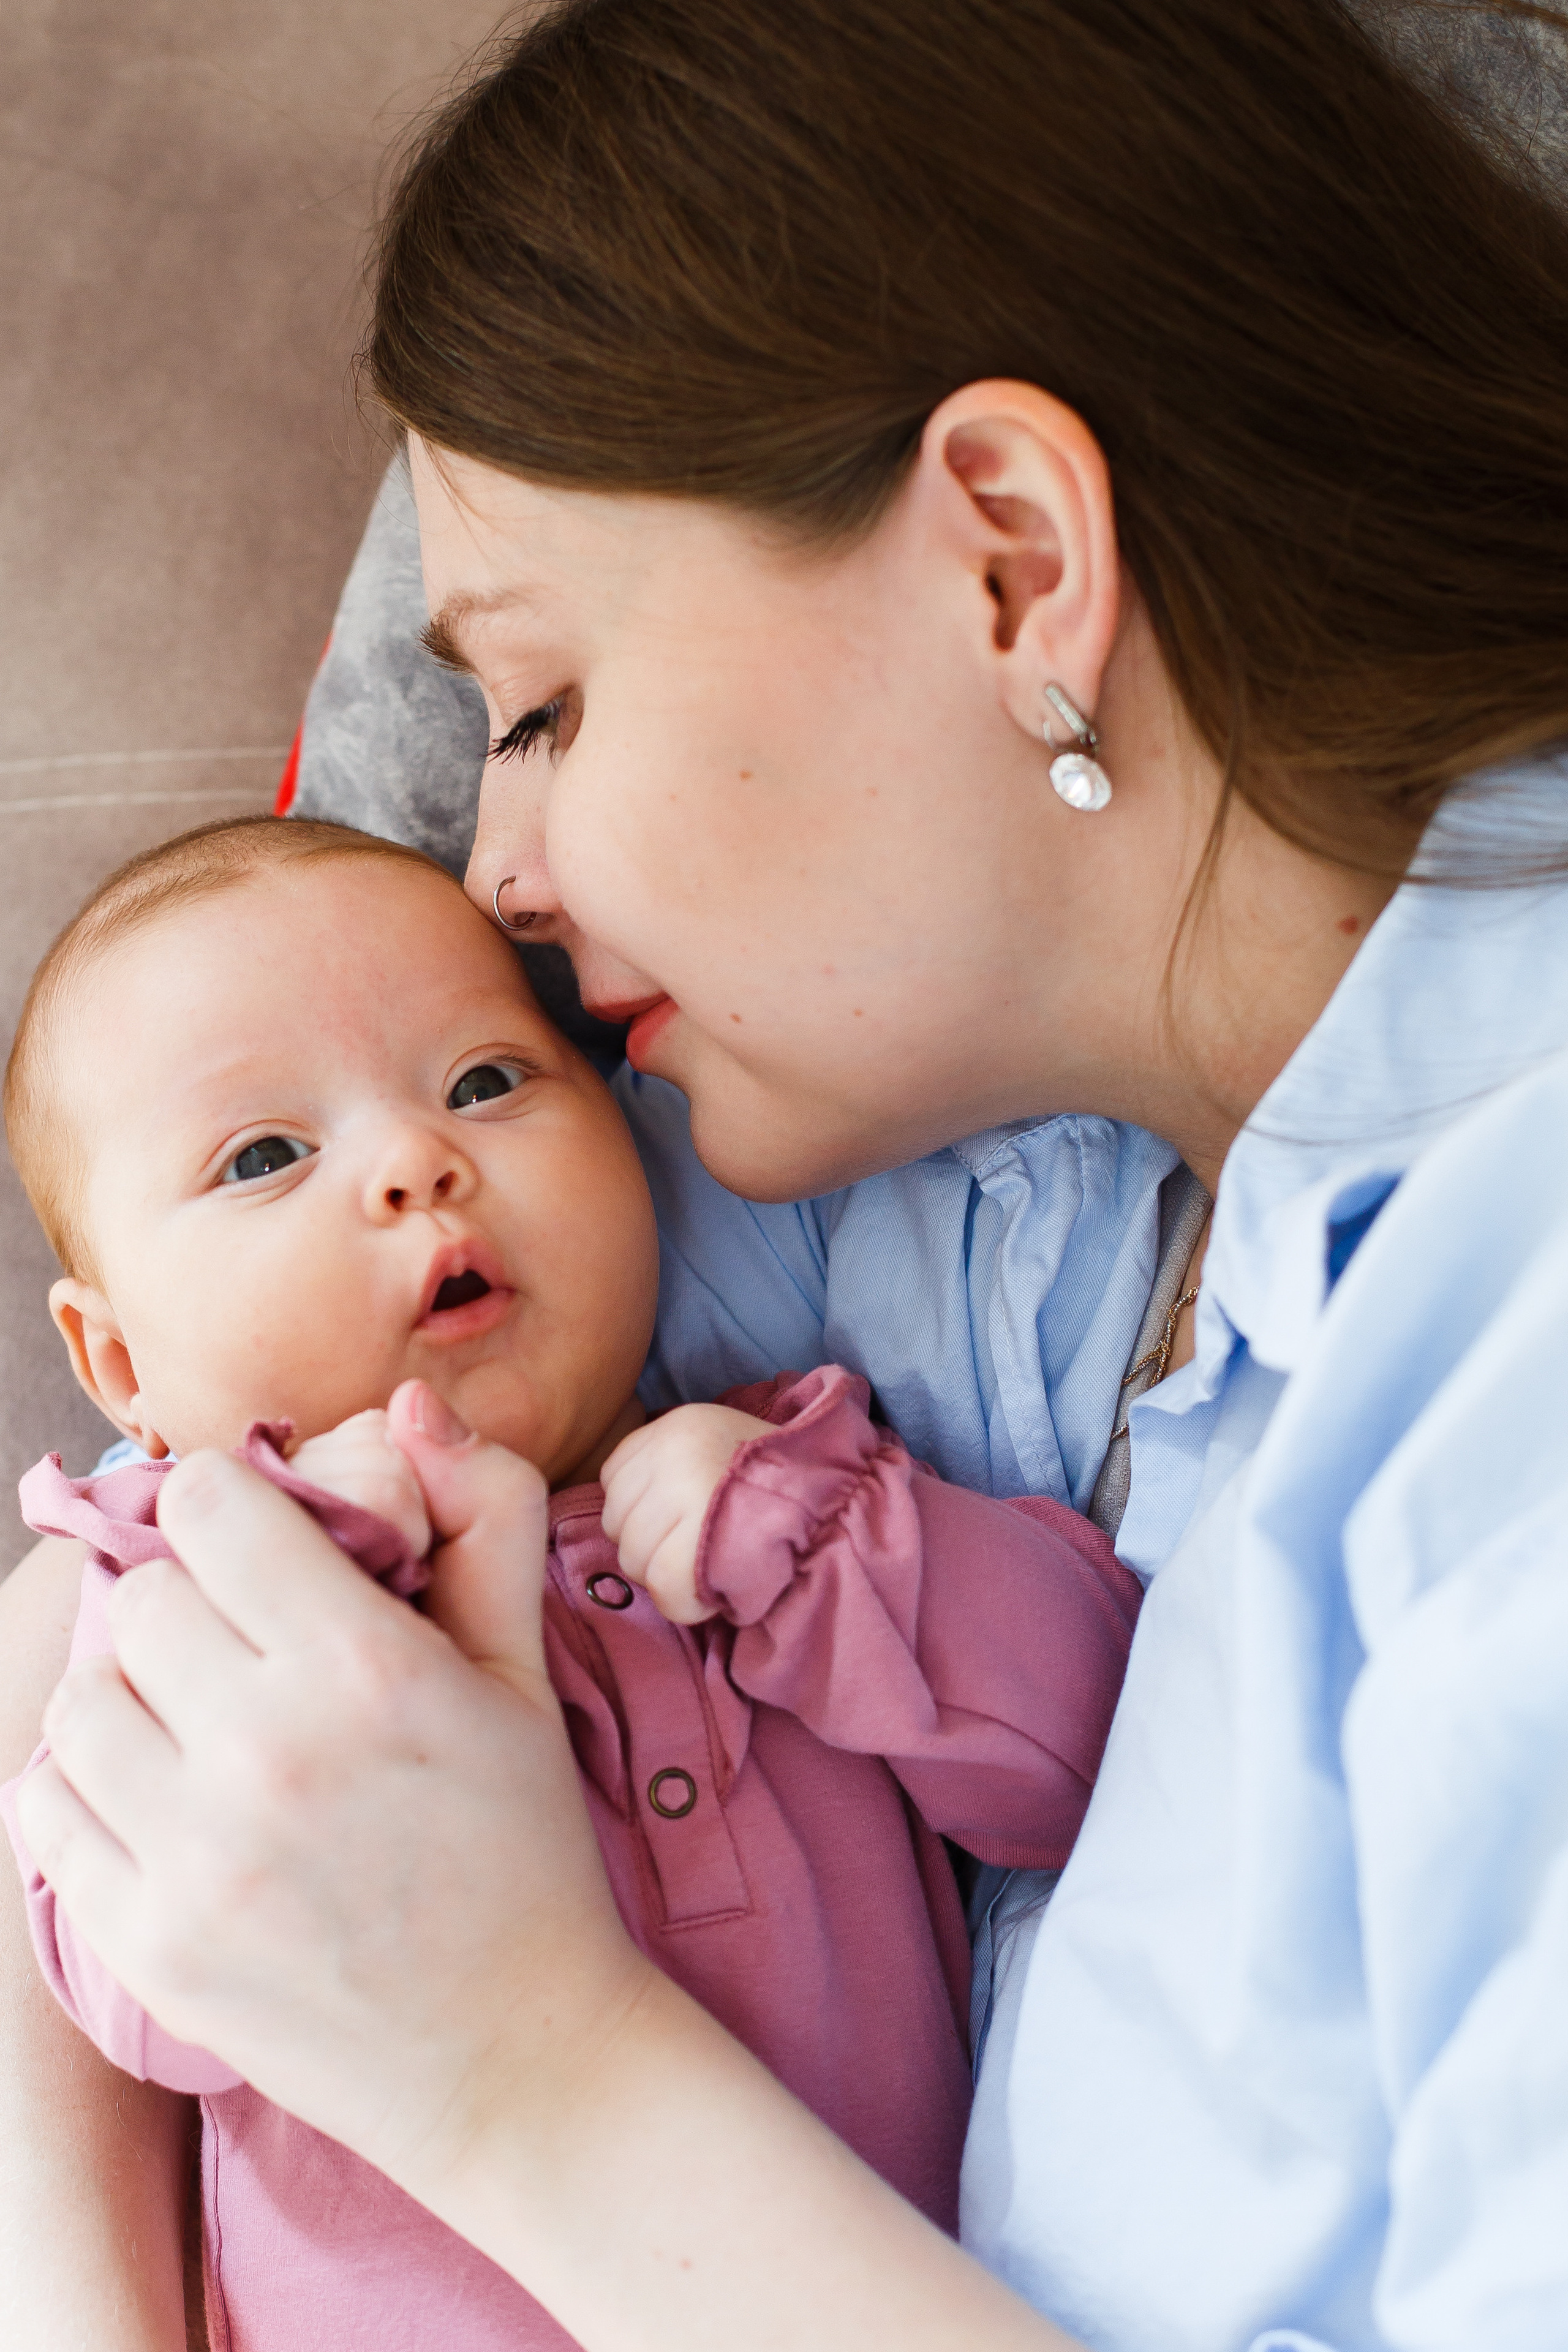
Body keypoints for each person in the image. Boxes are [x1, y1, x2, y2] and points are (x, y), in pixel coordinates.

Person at [5, 2, 1568, 2347]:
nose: (495, 868)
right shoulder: (948, 1187)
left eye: (538, 704)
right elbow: (115, 1538)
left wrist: (523, 2072)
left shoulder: (1495, 1338)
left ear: (1016, 562)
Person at [1, 813, 1137, 2350]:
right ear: (122, 1363)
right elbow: (138, 2000)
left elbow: (1094, 1770)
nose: (417, 1161)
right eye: (265, 1156)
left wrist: (827, 1542)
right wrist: (323, 1604)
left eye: (485, 1080)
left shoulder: (787, 1481)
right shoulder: (179, 1608)